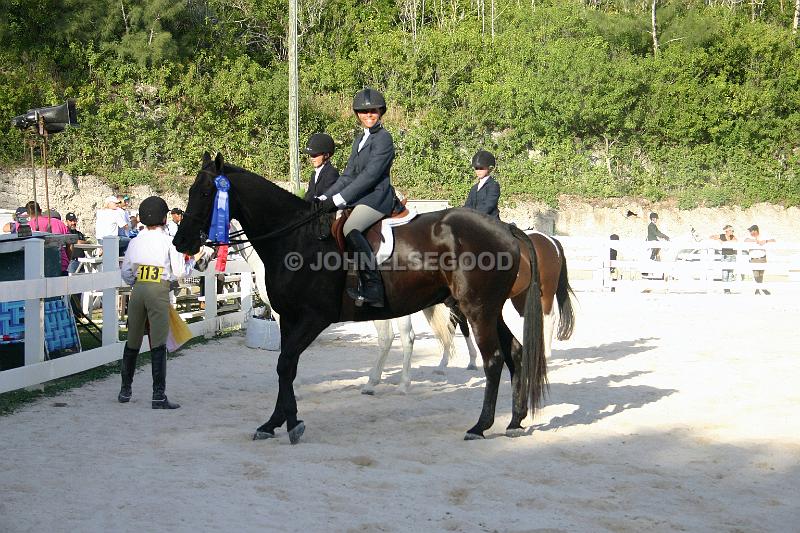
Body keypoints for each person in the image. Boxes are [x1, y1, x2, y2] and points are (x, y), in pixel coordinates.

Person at [316, 87, 401, 308]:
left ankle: (373, 288)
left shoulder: (384, 139)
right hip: (360, 197)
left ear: (380, 112)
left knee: (349, 229)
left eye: (373, 111)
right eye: (363, 112)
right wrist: (324, 197)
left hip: (376, 197)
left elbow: (369, 177)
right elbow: (348, 176)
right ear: (357, 115)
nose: (368, 115)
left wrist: (336, 201)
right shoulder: (359, 140)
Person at [119, 196, 185, 409]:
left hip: (138, 289)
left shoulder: (135, 241)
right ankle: (158, 395)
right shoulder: (168, 241)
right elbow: (179, 272)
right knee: (157, 342)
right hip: (158, 289)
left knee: (133, 340)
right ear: (164, 218)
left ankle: (125, 390)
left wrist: (138, 283)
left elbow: (127, 272)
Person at [17, 201, 71, 274]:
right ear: (41, 210)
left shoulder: (26, 226)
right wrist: (67, 259)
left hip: (36, 268)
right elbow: (70, 243)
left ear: (28, 214)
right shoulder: (58, 223)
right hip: (60, 265)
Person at [463, 150, 501, 220]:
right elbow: (468, 206)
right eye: (476, 168)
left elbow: (488, 206)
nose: (478, 171)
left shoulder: (493, 186)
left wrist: (473, 217)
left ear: (489, 168)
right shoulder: (474, 188)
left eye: (481, 168)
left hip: (491, 222)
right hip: (476, 221)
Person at [303, 133, 339, 201]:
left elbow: (327, 197)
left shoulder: (331, 173)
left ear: (326, 155)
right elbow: (309, 195)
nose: (312, 158)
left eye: (314, 155)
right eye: (310, 155)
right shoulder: (314, 174)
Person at [744, 224, 775, 295]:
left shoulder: (763, 236)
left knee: (761, 276)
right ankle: (762, 289)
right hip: (753, 259)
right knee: (756, 275)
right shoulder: (749, 237)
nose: (750, 232)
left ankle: (758, 290)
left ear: (755, 231)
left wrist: (765, 241)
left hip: (762, 258)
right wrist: (754, 241)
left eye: (751, 231)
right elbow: (746, 240)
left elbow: (773, 240)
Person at [710, 224, 737, 293]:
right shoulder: (722, 236)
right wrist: (718, 239)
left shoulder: (732, 236)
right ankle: (726, 289)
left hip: (732, 256)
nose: (732, 231)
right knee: (725, 273)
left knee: (730, 274)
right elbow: (711, 237)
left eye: (732, 230)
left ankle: (728, 289)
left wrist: (724, 242)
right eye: (731, 230)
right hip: (725, 256)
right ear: (726, 231)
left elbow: (736, 241)